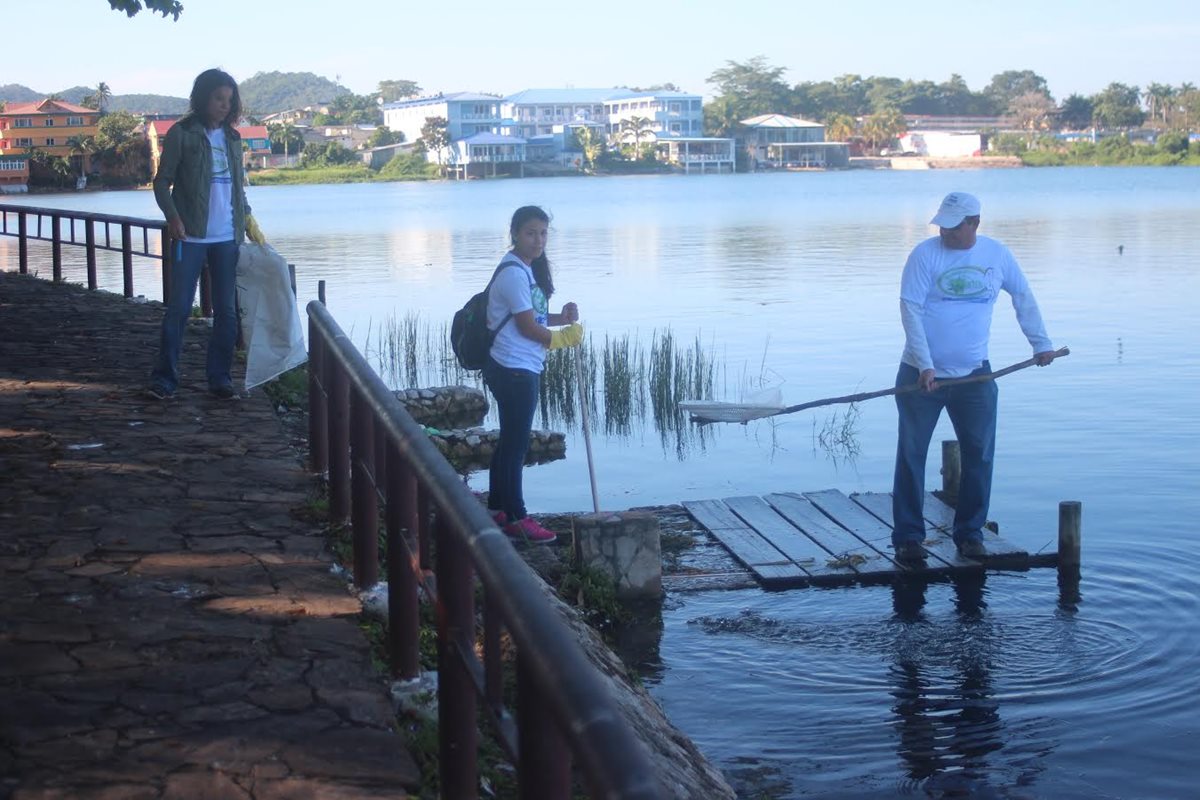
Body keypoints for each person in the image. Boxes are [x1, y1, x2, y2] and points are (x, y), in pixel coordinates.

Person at [892, 192, 1056, 562]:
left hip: (975, 376)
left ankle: (969, 534)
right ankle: (908, 539)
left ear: (974, 224)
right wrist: (926, 364)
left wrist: (1040, 343)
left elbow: (1023, 296)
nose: (946, 233)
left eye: (954, 227)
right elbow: (910, 310)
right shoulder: (924, 255)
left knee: (979, 454)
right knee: (912, 453)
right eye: (942, 226)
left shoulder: (996, 255)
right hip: (921, 376)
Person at [147, 68, 250, 400]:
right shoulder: (182, 133)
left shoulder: (233, 139)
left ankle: (220, 378)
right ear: (203, 97)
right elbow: (162, 182)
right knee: (178, 308)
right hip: (190, 236)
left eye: (229, 100)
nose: (224, 105)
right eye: (218, 98)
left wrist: (247, 223)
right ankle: (165, 379)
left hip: (226, 238)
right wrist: (172, 217)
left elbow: (237, 188)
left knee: (227, 311)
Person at [483, 206, 583, 544]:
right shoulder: (512, 273)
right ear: (514, 233)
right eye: (531, 233)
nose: (538, 240)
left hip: (518, 365)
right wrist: (561, 339)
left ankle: (498, 507)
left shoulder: (524, 269)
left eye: (543, 233)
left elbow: (532, 318)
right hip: (514, 369)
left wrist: (561, 318)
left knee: (511, 439)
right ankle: (516, 517)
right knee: (516, 445)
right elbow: (526, 328)